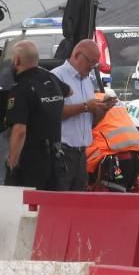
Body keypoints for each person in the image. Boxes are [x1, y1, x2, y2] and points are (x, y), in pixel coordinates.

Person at [51, 39, 116, 191]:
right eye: (90, 61)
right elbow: (54, 113)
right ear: (77, 55)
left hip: (81, 153)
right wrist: (85, 106)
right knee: (61, 199)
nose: (92, 67)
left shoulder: (87, 81)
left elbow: (90, 123)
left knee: (79, 202)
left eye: (95, 64)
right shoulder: (57, 77)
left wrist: (103, 109)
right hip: (62, 152)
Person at [5, 40, 71, 190]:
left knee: (27, 207)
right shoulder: (51, 79)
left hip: (31, 161)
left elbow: (20, 130)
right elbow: (69, 91)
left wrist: (12, 164)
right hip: (55, 158)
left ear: (16, 60)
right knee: (49, 206)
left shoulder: (21, 89)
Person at [85, 89, 139, 191]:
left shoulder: (90, 102)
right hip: (134, 155)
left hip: (112, 157)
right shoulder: (111, 100)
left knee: (107, 203)